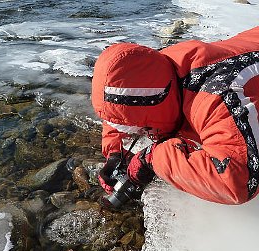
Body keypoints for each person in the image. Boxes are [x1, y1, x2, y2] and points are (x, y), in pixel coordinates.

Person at [91, 26, 259, 205]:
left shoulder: (219, 98)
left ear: (157, 105)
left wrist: (152, 158)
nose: (142, 133)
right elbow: (120, 109)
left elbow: (239, 182)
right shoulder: (155, 66)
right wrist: (114, 152)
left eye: (143, 128)